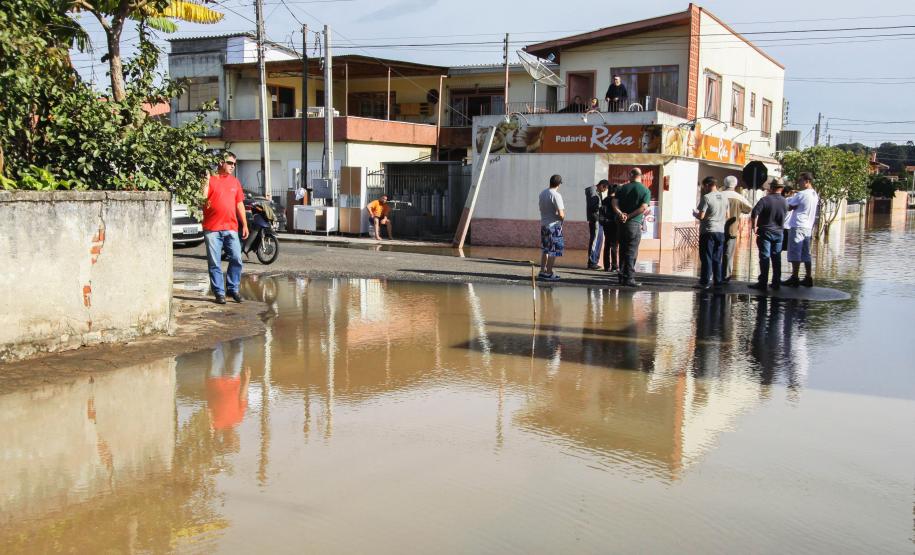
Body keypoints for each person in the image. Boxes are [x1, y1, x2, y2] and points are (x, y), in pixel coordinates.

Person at [203, 151, 248, 305]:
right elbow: (201, 199)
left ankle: (232, 289)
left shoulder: (235, 182)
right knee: (215, 262)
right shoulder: (210, 179)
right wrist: (205, 181)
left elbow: (239, 204)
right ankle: (219, 293)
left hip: (231, 227)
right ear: (221, 162)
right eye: (230, 163)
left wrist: (245, 224)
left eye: (234, 164)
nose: (233, 166)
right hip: (212, 228)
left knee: (236, 258)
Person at [612, 168, 651, 286]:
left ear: (630, 175)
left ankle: (621, 276)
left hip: (621, 224)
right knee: (631, 251)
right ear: (641, 176)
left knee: (623, 249)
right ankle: (629, 278)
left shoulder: (622, 188)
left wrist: (620, 214)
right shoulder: (645, 190)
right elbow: (644, 207)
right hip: (634, 224)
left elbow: (614, 202)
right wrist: (629, 216)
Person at [749, 181, 788, 290]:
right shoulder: (785, 202)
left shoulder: (765, 200)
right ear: (781, 189)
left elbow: (754, 213)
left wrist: (753, 226)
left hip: (765, 232)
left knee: (765, 257)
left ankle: (763, 282)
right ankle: (776, 283)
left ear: (771, 187)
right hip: (779, 233)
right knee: (777, 258)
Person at [783, 172, 819, 287]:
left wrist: (787, 200)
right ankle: (808, 277)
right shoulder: (814, 194)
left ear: (807, 181)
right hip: (808, 226)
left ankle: (794, 277)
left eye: (800, 181)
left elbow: (788, 207)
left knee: (795, 252)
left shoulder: (802, 194)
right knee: (806, 253)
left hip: (798, 225)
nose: (798, 183)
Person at [692, 176, 727, 289]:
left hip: (708, 231)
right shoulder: (724, 197)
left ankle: (705, 281)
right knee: (717, 257)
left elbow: (701, 216)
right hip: (721, 231)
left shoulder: (706, 198)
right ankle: (718, 281)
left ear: (707, 185)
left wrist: (695, 214)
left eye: (704, 186)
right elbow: (728, 215)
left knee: (706, 256)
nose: (704, 188)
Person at [720, 175, 753, 282]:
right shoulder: (739, 197)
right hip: (731, 230)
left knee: (715, 253)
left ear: (724, 183)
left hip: (717, 229)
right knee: (728, 254)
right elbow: (749, 209)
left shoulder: (719, 195)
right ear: (735, 185)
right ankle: (726, 276)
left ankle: (714, 276)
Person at [538, 174, 565, 281]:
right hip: (554, 226)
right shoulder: (556, 195)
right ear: (559, 184)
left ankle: (542, 271)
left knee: (546, 249)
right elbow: (561, 214)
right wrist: (561, 219)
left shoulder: (542, 193)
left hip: (544, 225)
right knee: (553, 250)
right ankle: (549, 273)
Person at [598, 180, 620, 272]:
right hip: (614, 224)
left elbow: (602, 212)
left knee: (607, 244)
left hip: (606, 224)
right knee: (614, 246)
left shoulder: (605, 200)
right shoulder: (616, 201)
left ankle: (606, 266)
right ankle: (614, 266)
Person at [584, 181, 603, 270]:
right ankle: (592, 262)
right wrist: (601, 208)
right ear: (602, 186)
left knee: (597, 240)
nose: (604, 191)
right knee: (595, 241)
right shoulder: (593, 192)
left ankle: (594, 261)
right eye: (604, 189)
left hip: (596, 219)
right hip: (595, 219)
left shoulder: (595, 192)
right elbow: (594, 206)